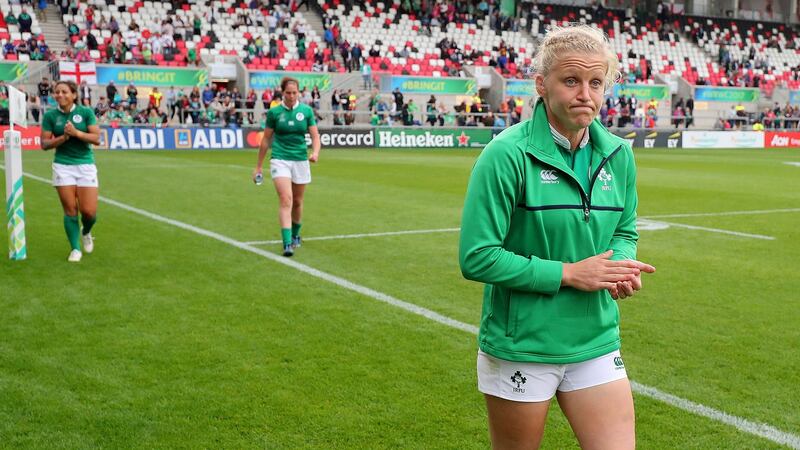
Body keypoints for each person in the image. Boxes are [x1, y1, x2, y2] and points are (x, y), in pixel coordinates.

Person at [458, 25, 656, 449]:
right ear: (541, 86)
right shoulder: (505, 155)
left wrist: (619, 265)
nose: (585, 93)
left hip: (596, 338)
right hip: (522, 345)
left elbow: (624, 229)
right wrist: (569, 273)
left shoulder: (619, 155)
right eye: (571, 80)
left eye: (596, 82)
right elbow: (477, 256)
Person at [253, 77, 321, 257]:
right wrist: (258, 166)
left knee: (297, 202)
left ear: (298, 93)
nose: (291, 96)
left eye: (294, 93)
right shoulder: (274, 113)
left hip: (300, 159)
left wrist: (315, 153)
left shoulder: (306, 111)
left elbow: (315, 136)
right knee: (286, 199)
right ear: (282, 93)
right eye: (288, 93)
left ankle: (296, 234)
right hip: (280, 158)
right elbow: (266, 139)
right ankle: (287, 243)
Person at [40, 80, 102, 262]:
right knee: (70, 210)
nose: (60, 95)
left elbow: (96, 139)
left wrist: (77, 134)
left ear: (74, 94)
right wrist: (64, 137)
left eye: (64, 91)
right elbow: (44, 144)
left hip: (85, 165)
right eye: (57, 92)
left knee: (89, 212)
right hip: (63, 165)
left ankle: (86, 231)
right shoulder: (51, 116)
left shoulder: (85, 112)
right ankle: (75, 249)